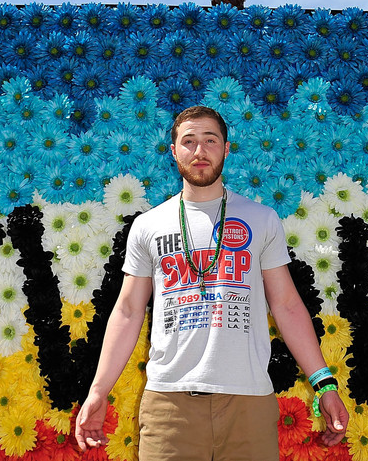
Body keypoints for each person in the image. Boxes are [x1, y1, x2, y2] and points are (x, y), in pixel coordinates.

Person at [75, 105, 348, 460]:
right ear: (173, 151)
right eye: (188, 141)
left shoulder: (261, 219)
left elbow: (287, 305)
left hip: (248, 402)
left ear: (226, 148)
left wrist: (324, 384)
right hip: (169, 405)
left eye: (210, 140)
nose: (200, 151)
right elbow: (128, 311)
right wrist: (98, 392)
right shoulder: (148, 226)